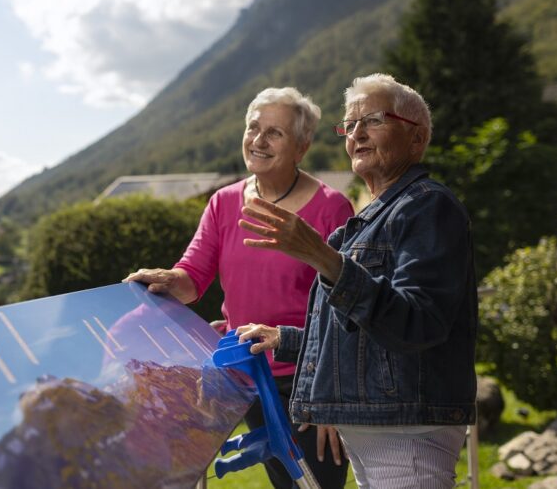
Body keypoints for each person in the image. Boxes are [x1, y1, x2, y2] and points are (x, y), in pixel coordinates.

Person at [236, 74, 478, 489]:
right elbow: (365, 334)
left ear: (416, 138)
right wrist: (286, 339)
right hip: (382, 436)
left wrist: (323, 257)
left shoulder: (429, 207)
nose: (357, 134)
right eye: (350, 125)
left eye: (374, 120)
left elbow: (418, 322)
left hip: (408, 439)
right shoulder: (372, 218)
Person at [125, 87, 353, 488]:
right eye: (253, 128)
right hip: (244, 374)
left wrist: (333, 397)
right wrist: (165, 279)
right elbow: (191, 279)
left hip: (308, 379)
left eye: (275, 133)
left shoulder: (331, 208)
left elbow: (345, 309)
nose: (258, 140)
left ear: (301, 147)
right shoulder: (223, 203)